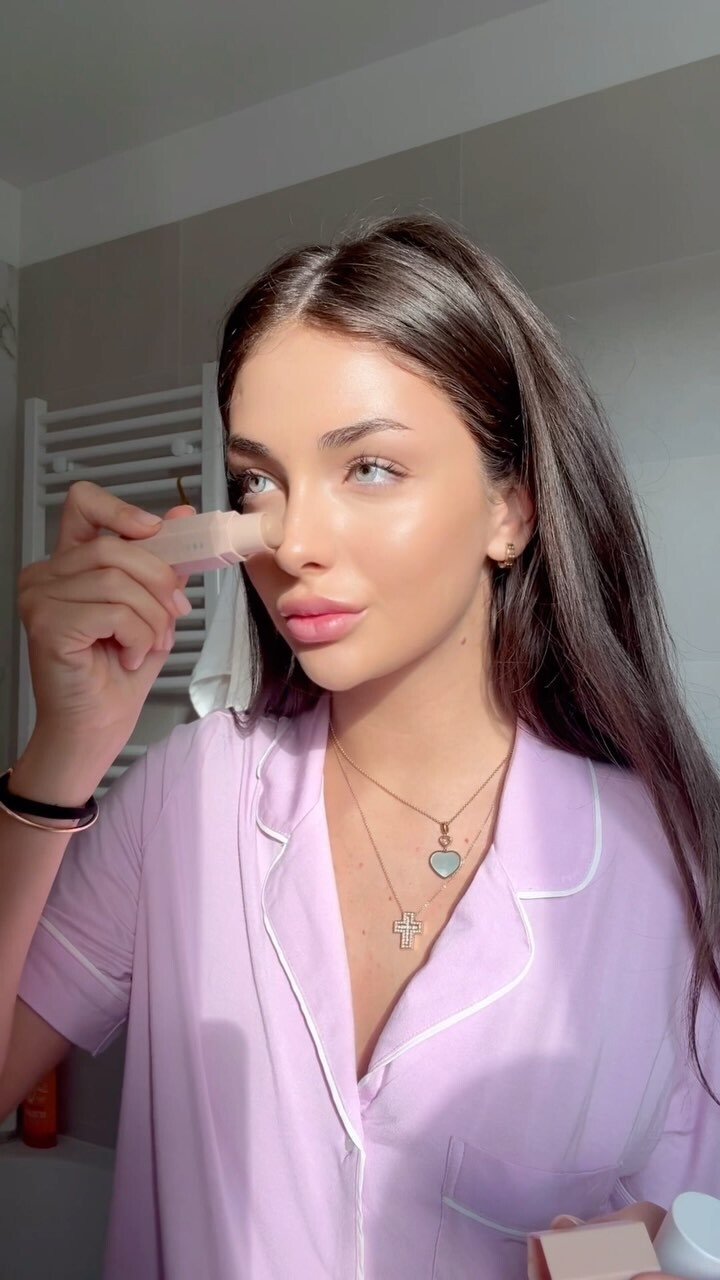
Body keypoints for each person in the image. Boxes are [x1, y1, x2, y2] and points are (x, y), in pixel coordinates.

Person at [0, 213, 716, 1280]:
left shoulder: (670, 865)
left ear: (512, 509)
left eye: (370, 467)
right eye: (256, 481)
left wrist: (607, 1260)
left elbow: (675, 1218)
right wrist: (64, 749)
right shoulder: (191, 796)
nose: (290, 541)